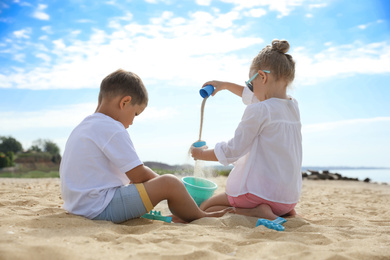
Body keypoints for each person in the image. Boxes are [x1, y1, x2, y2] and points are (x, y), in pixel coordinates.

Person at [60, 69, 232, 224]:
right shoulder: (113, 128)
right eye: (135, 114)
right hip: (99, 208)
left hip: (78, 206)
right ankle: (200, 216)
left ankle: (185, 212)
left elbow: (132, 174)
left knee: (153, 179)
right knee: (170, 183)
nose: (132, 122)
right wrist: (174, 189)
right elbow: (138, 175)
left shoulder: (85, 126)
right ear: (125, 102)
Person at [191, 39, 302, 220]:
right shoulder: (292, 107)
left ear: (263, 77)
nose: (250, 90)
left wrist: (201, 154)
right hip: (287, 200)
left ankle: (257, 211)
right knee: (271, 200)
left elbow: (233, 150)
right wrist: (225, 85)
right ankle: (283, 212)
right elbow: (258, 98)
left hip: (257, 194)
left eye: (250, 84)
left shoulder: (259, 109)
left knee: (207, 206)